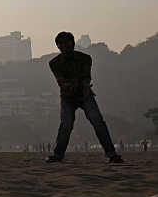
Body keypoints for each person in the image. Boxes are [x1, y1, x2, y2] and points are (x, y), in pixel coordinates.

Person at [46, 32, 123, 163]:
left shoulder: (85, 58)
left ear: (73, 44)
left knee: (98, 122)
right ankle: (58, 155)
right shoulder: (54, 63)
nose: (64, 47)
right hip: (68, 97)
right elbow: (61, 81)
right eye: (61, 44)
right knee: (66, 124)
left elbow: (86, 77)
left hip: (84, 95)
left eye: (67, 43)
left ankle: (111, 153)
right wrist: (74, 84)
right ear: (58, 46)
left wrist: (82, 86)